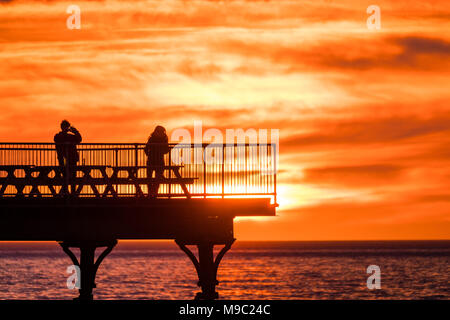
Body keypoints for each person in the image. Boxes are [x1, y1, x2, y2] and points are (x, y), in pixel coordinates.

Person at [54, 120, 82, 194]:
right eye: (65, 127)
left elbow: (79, 139)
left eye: (66, 127)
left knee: (72, 177)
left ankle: (71, 193)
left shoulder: (70, 136)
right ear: (62, 127)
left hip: (72, 158)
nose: (66, 128)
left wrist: (75, 131)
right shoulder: (59, 136)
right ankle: (66, 193)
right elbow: (57, 139)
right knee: (66, 176)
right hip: (64, 159)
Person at [144, 126, 169, 197]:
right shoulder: (164, 139)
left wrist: (149, 153)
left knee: (150, 178)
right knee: (156, 179)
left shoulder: (152, 138)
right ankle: (154, 193)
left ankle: (151, 193)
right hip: (159, 160)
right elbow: (166, 150)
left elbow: (146, 148)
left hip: (151, 160)